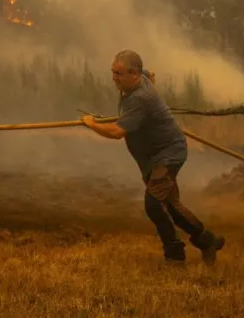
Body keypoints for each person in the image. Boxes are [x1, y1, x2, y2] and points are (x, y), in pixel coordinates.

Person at [80, 49, 225, 265]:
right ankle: (207, 241)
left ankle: (175, 256)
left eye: (119, 74)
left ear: (134, 74)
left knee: (153, 204)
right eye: (113, 72)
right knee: (172, 207)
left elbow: (117, 132)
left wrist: (92, 124)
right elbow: (151, 74)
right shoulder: (141, 80)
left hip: (168, 154)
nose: (114, 78)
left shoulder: (140, 98)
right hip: (154, 157)